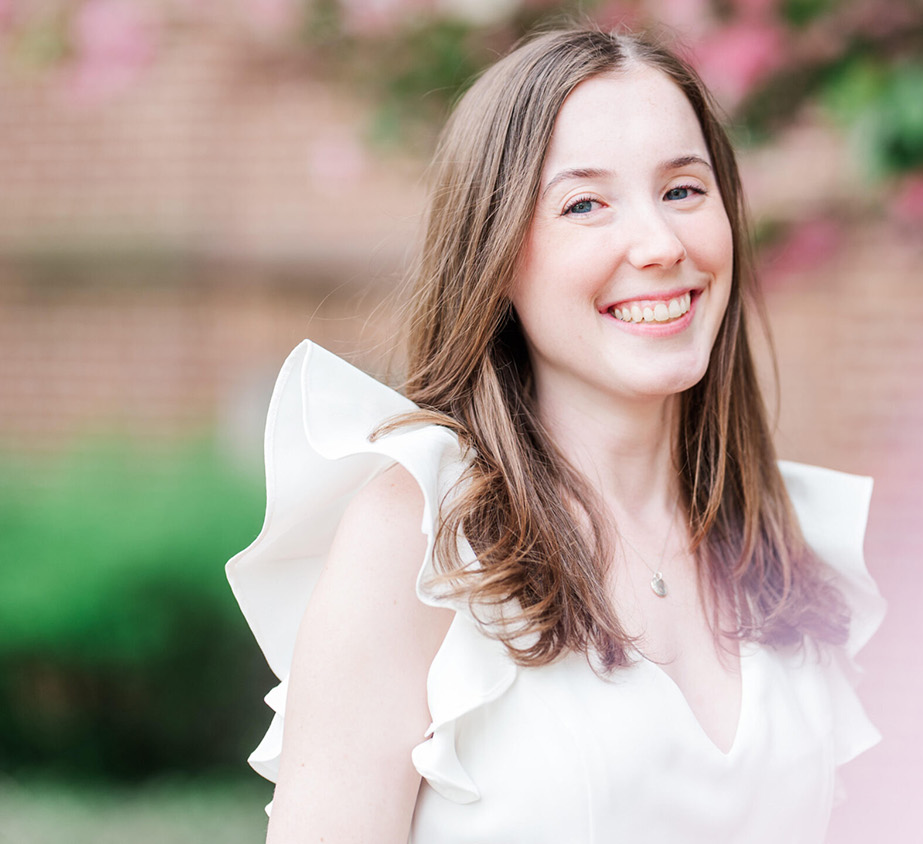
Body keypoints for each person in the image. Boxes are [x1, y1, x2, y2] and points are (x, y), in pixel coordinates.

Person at [226, 24, 884, 844]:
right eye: (585, 204)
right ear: (497, 256)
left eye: (684, 190)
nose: (660, 244)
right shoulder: (422, 539)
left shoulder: (789, 546)